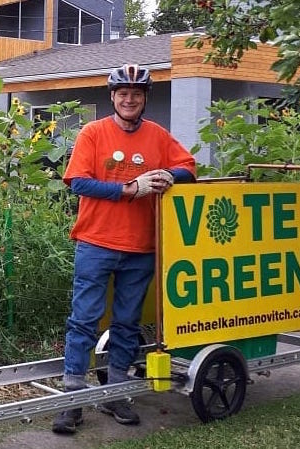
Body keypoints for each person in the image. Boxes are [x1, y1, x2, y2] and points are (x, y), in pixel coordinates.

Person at [52, 64, 196, 434]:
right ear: (113, 98)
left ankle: (115, 393)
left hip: (141, 246)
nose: (129, 99)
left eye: (136, 94)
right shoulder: (93, 133)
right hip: (96, 242)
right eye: (122, 94)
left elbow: (188, 167)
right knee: (83, 320)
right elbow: (78, 182)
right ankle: (72, 399)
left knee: (127, 323)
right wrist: (127, 190)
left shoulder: (157, 136)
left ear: (144, 98)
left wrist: (170, 176)